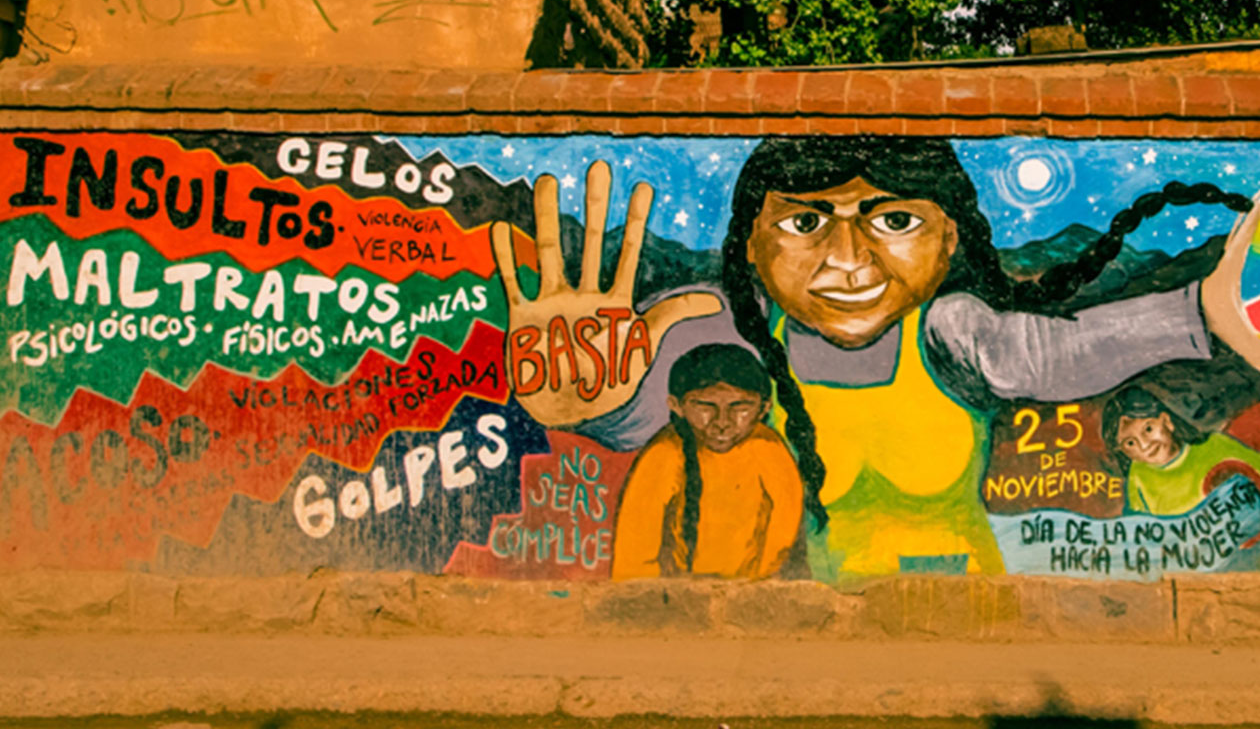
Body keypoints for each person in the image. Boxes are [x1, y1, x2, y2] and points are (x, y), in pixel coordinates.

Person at [491, 136, 1260, 581]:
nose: (848, 262)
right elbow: (645, 403)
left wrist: (1199, 314)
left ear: (951, 238)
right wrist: (590, 403)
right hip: (796, 639)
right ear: (750, 245)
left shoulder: (949, 332)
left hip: (961, 629)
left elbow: (1054, 353)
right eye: (803, 224)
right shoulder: (728, 329)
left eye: (894, 221)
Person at [610, 344, 802, 579]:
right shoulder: (663, 454)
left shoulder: (770, 451)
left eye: (740, 407)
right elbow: (633, 558)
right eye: (704, 406)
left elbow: (780, 542)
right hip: (673, 601)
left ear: (764, 408)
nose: (722, 422)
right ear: (676, 406)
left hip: (751, 598)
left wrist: (752, 593)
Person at [1103, 386, 1260, 516]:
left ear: (1166, 421)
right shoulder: (1137, 474)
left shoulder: (1215, 446)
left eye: (1148, 429)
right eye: (1130, 443)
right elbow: (1138, 525)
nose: (1144, 445)